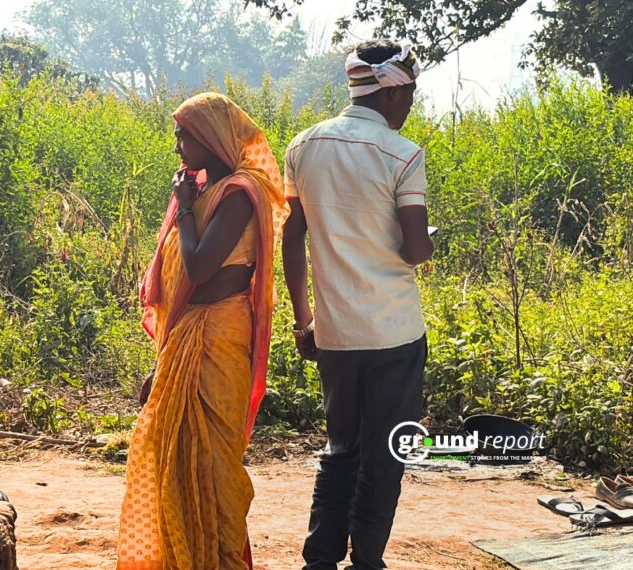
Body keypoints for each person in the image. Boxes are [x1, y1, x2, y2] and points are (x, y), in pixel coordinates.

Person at [117, 92, 290, 570]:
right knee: (169, 456)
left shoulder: (238, 192)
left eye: (184, 136)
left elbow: (198, 265)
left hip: (220, 336)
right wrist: (163, 363)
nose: (177, 147)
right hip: (190, 333)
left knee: (213, 469)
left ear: (212, 138)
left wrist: (186, 209)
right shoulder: (202, 189)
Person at [281, 39, 434, 570]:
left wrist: (304, 322)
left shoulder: (303, 147)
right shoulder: (403, 154)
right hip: (394, 333)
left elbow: (292, 235)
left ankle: (320, 558)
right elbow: (415, 251)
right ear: (392, 93)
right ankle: (367, 560)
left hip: (337, 335)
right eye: (410, 93)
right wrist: (427, 240)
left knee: (340, 450)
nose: (412, 104)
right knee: (387, 454)